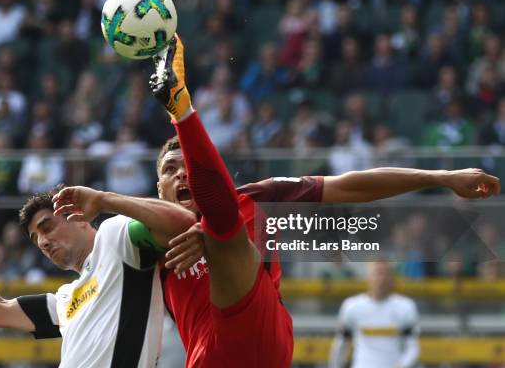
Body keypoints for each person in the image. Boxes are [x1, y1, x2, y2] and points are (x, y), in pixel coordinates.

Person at [146, 34, 501, 368]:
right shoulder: (142, 238)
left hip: (262, 344)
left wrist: (441, 177)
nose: (180, 175)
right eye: (169, 169)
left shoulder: (258, 199)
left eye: (189, 166)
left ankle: (182, 111)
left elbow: (350, 186)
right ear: (158, 188)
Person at [0, 186, 197, 368]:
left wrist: (104, 199)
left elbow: (182, 222)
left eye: (47, 227)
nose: (42, 242)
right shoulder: (64, 299)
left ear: (78, 217)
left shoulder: (115, 237)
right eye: (35, 239)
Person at [329, 261, 419, 368]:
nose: (382, 278)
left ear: (393, 278)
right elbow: (340, 345)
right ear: (368, 277)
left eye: (386, 273)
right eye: (378, 273)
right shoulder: (351, 307)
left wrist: (401, 365)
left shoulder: (405, 307)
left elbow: (412, 348)